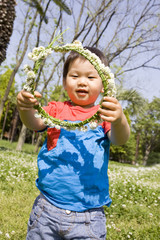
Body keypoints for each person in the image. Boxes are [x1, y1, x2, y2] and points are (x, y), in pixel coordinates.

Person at [17, 46, 130, 240]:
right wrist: (25, 109)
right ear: (64, 82)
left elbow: (120, 139)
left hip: (88, 215)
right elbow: (33, 122)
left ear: (103, 85)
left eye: (91, 77)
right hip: (47, 209)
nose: (82, 82)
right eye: (75, 76)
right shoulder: (55, 110)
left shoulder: (104, 115)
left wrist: (119, 120)